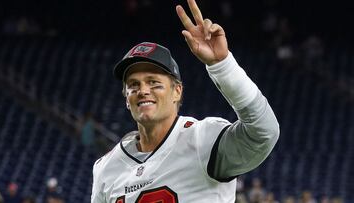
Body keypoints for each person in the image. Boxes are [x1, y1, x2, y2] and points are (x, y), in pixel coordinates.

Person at [91, 0, 279, 202]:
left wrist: (223, 66)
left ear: (177, 91)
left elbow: (264, 133)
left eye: (154, 82)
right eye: (134, 85)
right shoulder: (106, 167)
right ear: (126, 99)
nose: (143, 90)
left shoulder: (202, 139)